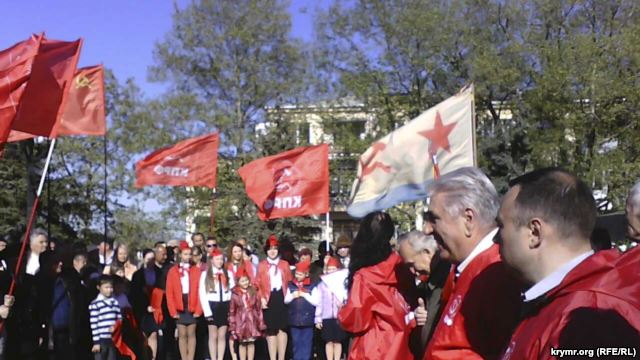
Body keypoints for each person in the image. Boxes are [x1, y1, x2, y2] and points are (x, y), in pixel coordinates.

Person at [496, 168, 640, 359]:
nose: (496, 239)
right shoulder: (563, 299)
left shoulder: (591, 321)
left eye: (501, 226)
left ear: (534, 233)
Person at [422, 167, 522, 360]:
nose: (427, 230)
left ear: (468, 219)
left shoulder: (497, 273)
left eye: (434, 219)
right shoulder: (470, 267)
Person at [338, 212, 417, 360]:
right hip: (404, 344)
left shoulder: (365, 277)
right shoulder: (402, 266)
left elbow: (356, 321)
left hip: (375, 349)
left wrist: (342, 311)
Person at [7, 228, 54, 360]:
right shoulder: (20, 261)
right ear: (32, 243)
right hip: (20, 312)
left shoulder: (47, 263)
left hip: (37, 314)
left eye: (46, 242)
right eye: (41, 242)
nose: (44, 245)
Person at [397, 231, 445, 356]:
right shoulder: (429, 283)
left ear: (426, 252)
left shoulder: (447, 278)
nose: (412, 271)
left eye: (412, 264)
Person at [256, 235, 292, 360]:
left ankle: (281, 357)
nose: (272, 251)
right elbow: (257, 284)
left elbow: (290, 282)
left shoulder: (284, 264)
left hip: (281, 297)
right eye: (270, 248)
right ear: (266, 250)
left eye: (275, 248)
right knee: (271, 330)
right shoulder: (261, 265)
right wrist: (261, 298)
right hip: (268, 298)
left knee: (282, 329)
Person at [51, 253, 91, 360]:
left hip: (71, 328)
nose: (60, 264)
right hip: (58, 329)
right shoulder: (57, 283)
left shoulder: (74, 285)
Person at [166, 241, 203, 360]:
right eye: (185, 254)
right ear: (181, 255)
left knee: (191, 334)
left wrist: (198, 309)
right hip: (179, 304)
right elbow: (169, 292)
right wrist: (172, 311)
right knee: (182, 334)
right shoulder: (173, 271)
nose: (188, 257)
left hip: (191, 303)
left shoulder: (196, 270)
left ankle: (190, 357)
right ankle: (184, 357)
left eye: (189, 254)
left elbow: (200, 291)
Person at [199, 248, 234, 360]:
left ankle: (220, 358)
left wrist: (230, 309)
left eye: (221, 259)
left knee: (222, 335)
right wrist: (207, 312)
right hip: (212, 305)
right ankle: (213, 357)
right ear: (212, 260)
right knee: (213, 335)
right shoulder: (206, 274)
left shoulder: (228, 273)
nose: (219, 261)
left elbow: (232, 291)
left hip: (224, 305)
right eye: (217, 259)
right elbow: (202, 294)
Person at [130, 248, 163, 359]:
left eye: (153, 259)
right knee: (143, 336)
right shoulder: (138, 275)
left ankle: (153, 357)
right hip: (142, 310)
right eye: (148, 259)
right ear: (144, 259)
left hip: (156, 309)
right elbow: (135, 294)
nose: (151, 261)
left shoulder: (159, 273)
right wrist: (145, 306)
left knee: (153, 334)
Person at [284, 260, 320, 360]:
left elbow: (316, 302)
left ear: (306, 274)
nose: (298, 276)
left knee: (307, 343)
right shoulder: (291, 286)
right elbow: (286, 300)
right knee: (296, 343)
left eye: (300, 274)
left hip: (308, 320)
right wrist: (292, 296)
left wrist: (305, 295)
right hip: (294, 320)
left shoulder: (312, 286)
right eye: (296, 274)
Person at [228, 267, 266, 360]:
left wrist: (261, 322)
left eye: (246, 280)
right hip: (240, 322)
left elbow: (258, 308)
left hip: (252, 320)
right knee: (242, 343)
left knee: (251, 343)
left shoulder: (253, 292)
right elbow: (232, 311)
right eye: (242, 281)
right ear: (238, 282)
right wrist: (232, 325)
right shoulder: (235, 295)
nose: (244, 283)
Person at [315, 257, 347, 360]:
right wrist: (318, 318)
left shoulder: (342, 284)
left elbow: (347, 298)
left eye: (334, 269)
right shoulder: (322, 285)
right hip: (326, 316)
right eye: (329, 269)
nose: (331, 271)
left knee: (338, 341)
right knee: (328, 341)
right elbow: (319, 302)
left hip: (339, 316)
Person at [89, 275, 122, 360]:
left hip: (113, 338)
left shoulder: (115, 302)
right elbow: (94, 324)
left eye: (111, 287)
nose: (109, 290)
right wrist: (96, 342)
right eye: (106, 287)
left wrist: (115, 327)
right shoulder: (95, 304)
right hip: (101, 339)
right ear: (98, 287)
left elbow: (119, 318)